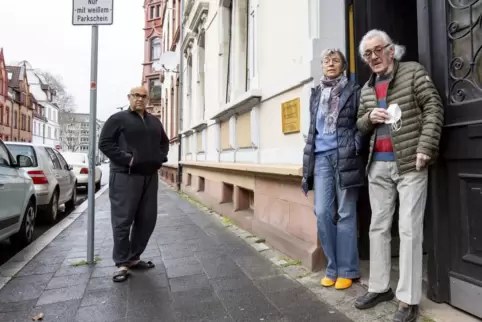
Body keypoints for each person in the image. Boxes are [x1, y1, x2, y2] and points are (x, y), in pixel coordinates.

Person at [354, 30, 443, 322]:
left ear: (392, 50)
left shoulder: (413, 72)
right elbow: (360, 123)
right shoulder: (367, 88)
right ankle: (380, 287)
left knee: (408, 229)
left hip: (409, 163)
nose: (374, 57)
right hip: (377, 165)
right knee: (377, 227)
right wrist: (369, 118)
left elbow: (433, 106)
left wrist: (425, 147)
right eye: (368, 54)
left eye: (378, 50)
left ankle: (408, 299)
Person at [302, 48, 365, 290]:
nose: (330, 64)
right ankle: (332, 266)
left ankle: (347, 270)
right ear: (322, 66)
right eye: (326, 60)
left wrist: (355, 145)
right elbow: (312, 128)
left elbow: (361, 122)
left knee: (347, 213)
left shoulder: (354, 90)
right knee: (323, 212)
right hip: (321, 158)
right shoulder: (316, 93)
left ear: (343, 66)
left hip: (345, 156)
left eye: (335, 60)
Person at [99, 86, 169, 282]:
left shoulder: (154, 121)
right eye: (136, 95)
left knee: (147, 219)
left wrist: (159, 158)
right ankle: (122, 263)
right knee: (123, 220)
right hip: (125, 176)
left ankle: (134, 257)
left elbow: (164, 142)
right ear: (129, 97)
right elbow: (105, 143)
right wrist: (127, 159)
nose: (140, 99)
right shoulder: (117, 119)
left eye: (144, 96)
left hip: (149, 176)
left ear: (147, 100)